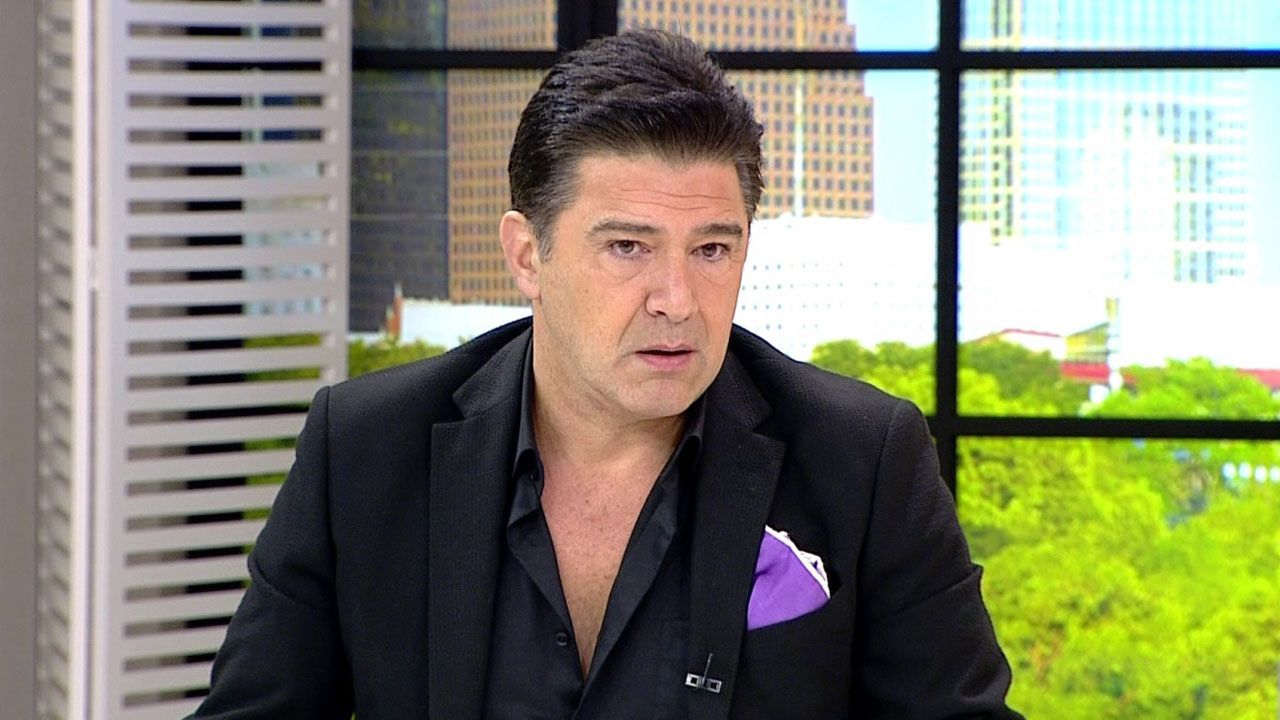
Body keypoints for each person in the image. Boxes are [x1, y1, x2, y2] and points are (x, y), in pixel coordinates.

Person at [193, 29, 1020, 720]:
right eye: (628, 247)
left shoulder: (863, 460)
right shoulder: (366, 449)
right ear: (528, 255)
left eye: (712, 249)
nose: (677, 300)